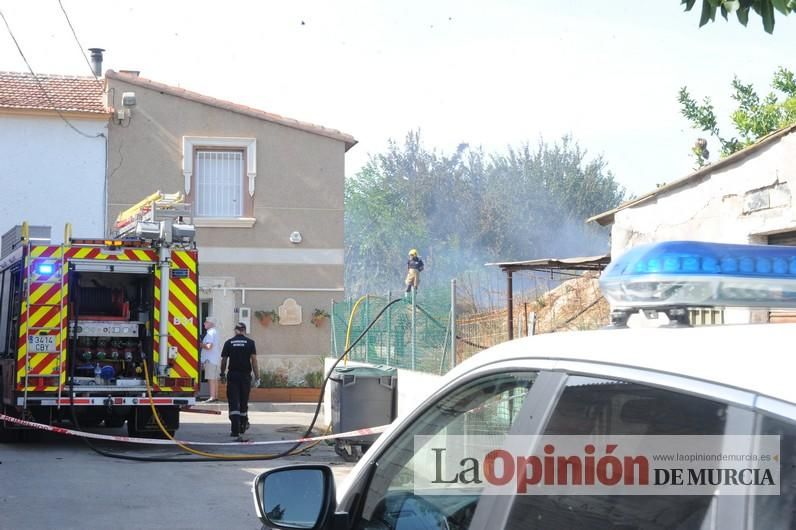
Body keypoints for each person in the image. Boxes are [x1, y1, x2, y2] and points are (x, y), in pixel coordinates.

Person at [219, 322, 259, 441]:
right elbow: (254, 361)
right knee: (243, 401)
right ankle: (242, 425)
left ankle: (235, 430)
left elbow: (224, 361)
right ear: (244, 330)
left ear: (235, 330)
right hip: (245, 376)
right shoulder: (250, 343)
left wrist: (222, 374)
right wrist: (257, 377)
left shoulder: (229, 342)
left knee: (233, 401)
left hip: (233, 375)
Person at [201, 316, 221, 402]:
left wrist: (200, 344)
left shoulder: (210, 333)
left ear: (211, 324)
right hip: (214, 359)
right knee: (214, 379)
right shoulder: (215, 332)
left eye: (206, 322)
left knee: (211, 379)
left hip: (209, 360)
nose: (204, 323)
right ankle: (215, 396)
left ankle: (212, 397)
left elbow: (209, 346)